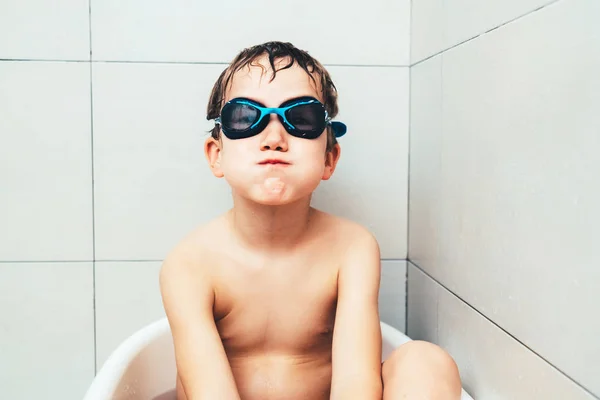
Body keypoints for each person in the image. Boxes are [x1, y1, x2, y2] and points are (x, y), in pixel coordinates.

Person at [159, 41, 462, 400]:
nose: (274, 138)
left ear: (329, 158)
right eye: (244, 117)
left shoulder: (350, 249)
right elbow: (207, 392)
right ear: (216, 155)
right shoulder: (191, 264)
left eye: (301, 118)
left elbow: (357, 384)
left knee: (425, 361)